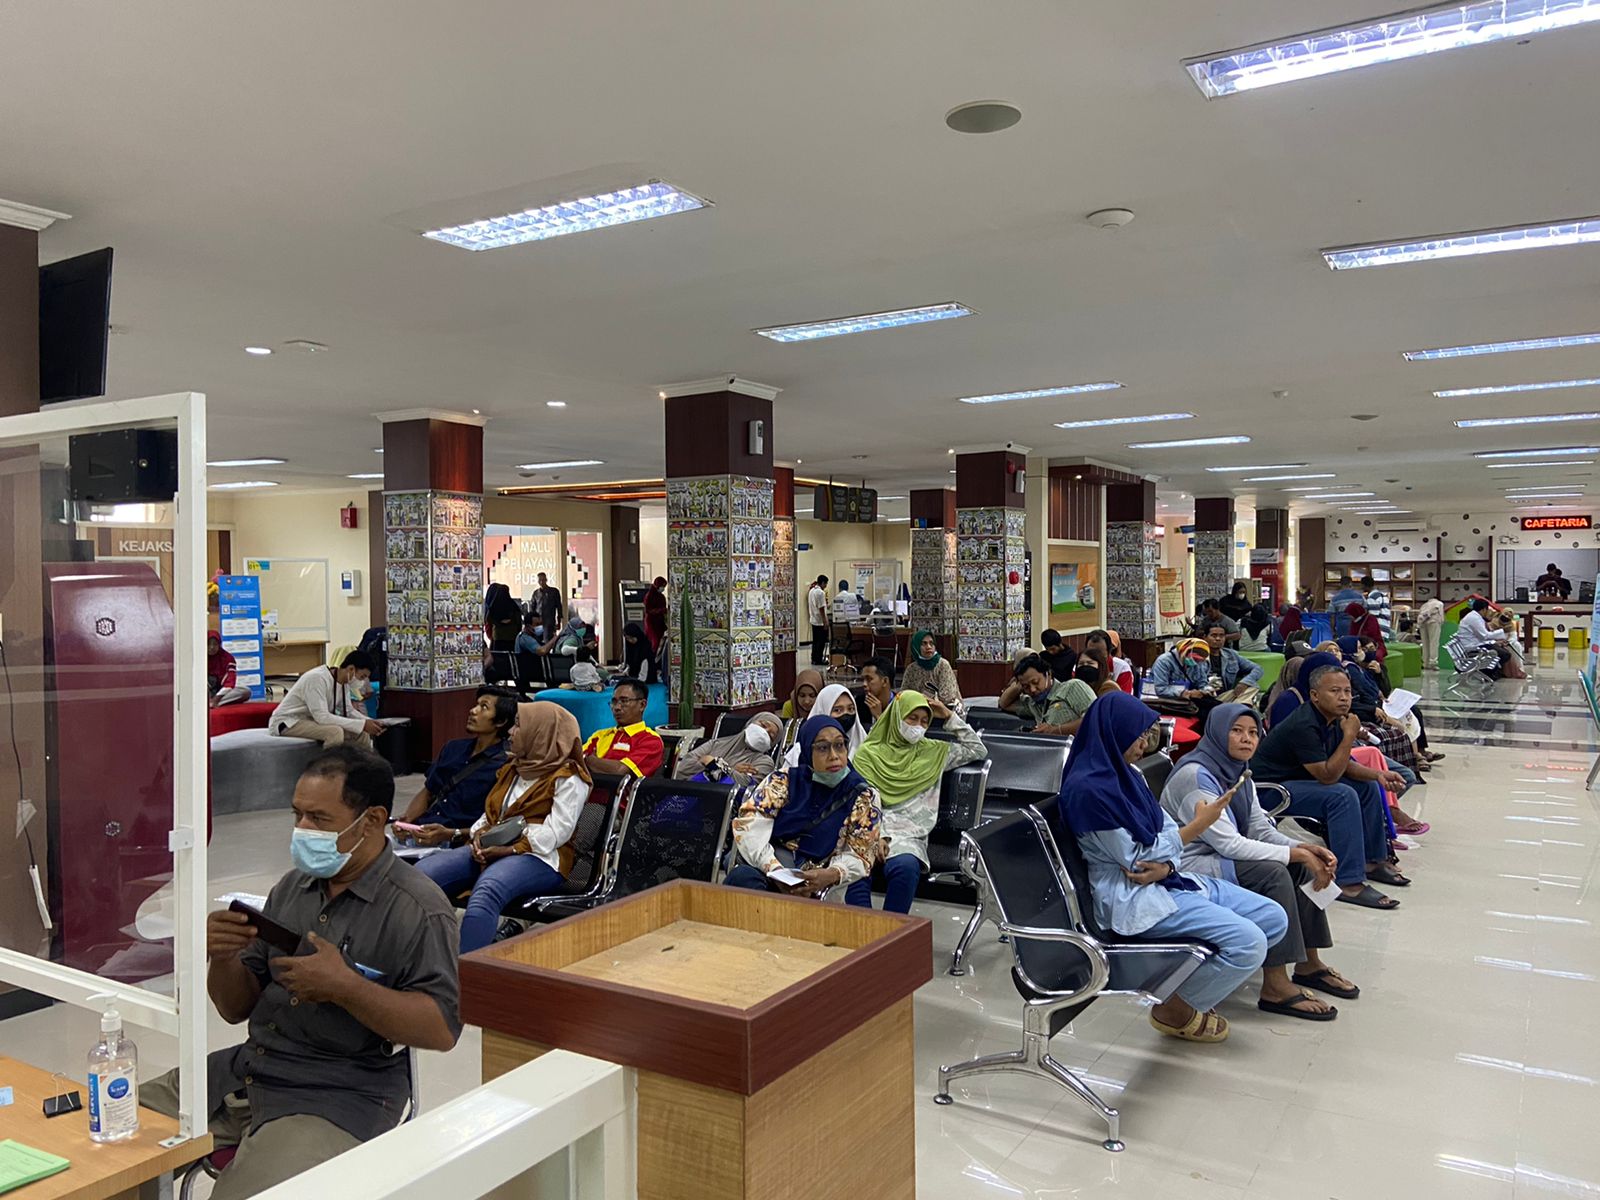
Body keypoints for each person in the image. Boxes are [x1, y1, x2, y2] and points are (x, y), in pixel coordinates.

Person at [144, 746, 461, 1198]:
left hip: (337, 1094)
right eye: (298, 815)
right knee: (101, 1142)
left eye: (319, 818)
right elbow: (235, 1008)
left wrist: (347, 988)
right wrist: (224, 957)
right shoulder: (293, 888)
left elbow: (442, 1030)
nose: (302, 830)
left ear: (371, 821)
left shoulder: (419, 910)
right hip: (246, 1072)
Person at [1059, 692, 1287, 1044]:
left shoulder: (1127, 775)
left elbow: (1164, 828)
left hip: (1167, 879)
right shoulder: (1088, 791)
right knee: (1250, 943)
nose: (1144, 744)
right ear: (1115, 732)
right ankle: (1175, 1008)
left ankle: (1192, 986)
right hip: (1133, 896)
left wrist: (1167, 866)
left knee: (1273, 918)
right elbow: (1135, 860)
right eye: (1138, 736)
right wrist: (1195, 828)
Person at [1161, 705, 1355, 1021]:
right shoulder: (1196, 776)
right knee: (1273, 873)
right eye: (1236, 730)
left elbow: (1259, 830)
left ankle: (1309, 963)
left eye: (1253, 732)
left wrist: (1302, 848)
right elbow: (1228, 843)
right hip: (1190, 865)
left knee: (1300, 865)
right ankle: (1275, 984)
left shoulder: (1239, 772)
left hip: (1220, 857)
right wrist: (1295, 854)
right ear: (1217, 732)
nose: (1246, 739)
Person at [418, 704, 591, 952]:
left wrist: (509, 848)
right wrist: (479, 836)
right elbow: (490, 814)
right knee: (421, 876)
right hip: (493, 849)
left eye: (518, 725)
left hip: (541, 858)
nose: (511, 731)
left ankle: (466, 969)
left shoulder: (569, 778)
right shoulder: (515, 768)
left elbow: (556, 834)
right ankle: (417, 957)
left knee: (487, 891)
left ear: (540, 733)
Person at [1250, 656, 1408, 909]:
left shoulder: (1331, 718)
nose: (1344, 698)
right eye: (1335, 691)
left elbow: (1340, 763)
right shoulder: (1304, 723)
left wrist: (1377, 775)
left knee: (1366, 787)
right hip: (1270, 790)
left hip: (1299, 780)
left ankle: (1372, 861)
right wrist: (1349, 736)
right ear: (1315, 695)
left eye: (1347, 691)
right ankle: (1348, 882)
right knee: (1341, 795)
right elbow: (1328, 775)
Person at [849, 690, 985, 912]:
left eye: (924, 721)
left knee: (905, 868)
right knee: (854, 867)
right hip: (870, 829)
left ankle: (893, 928)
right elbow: (861, 802)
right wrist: (877, 835)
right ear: (896, 716)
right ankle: (862, 926)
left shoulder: (933, 753)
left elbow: (977, 749)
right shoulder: (868, 754)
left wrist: (948, 715)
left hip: (908, 835)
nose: (918, 727)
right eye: (912, 718)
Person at [724, 715, 882, 899]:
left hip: (821, 882)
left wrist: (832, 874)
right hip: (771, 870)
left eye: (839, 745)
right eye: (823, 748)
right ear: (807, 750)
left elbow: (861, 854)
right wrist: (774, 869)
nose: (834, 756)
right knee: (742, 878)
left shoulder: (863, 796)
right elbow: (750, 828)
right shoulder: (784, 781)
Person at [393, 686, 517, 845]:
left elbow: (493, 825)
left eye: (484, 707)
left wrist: (450, 834)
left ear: (501, 721)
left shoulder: (504, 765)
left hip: (458, 842)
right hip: (422, 832)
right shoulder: (453, 748)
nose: (473, 711)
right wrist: (407, 822)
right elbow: (428, 791)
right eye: (476, 704)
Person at [269, 651, 384, 751]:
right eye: (362, 677)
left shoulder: (344, 683)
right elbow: (322, 717)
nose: (363, 682)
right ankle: (331, 769)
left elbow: (349, 711)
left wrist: (371, 722)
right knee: (335, 732)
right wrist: (362, 724)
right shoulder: (317, 678)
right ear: (351, 669)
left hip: (311, 720)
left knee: (362, 734)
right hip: (289, 722)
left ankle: (362, 767)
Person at [582, 680, 665, 779]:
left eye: (624, 701)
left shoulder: (651, 740)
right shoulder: (599, 735)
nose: (617, 707)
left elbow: (620, 772)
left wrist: (588, 760)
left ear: (642, 705)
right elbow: (573, 761)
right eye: (614, 702)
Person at [1001, 653, 1097, 736]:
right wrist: (1018, 685)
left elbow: (1095, 719)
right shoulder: (1033, 704)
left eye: (1035, 682)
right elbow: (1004, 704)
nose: (1032, 689)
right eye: (1026, 687)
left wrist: (1055, 730)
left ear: (1048, 674)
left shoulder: (1072, 687)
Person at [674, 711, 783, 783]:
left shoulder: (764, 762)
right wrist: (731, 770)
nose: (764, 732)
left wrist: (715, 763)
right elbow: (684, 767)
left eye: (771, 736)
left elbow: (746, 785)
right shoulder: (716, 744)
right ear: (751, 723)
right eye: (763, 725)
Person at [785, 683, 866, 762]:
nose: (845, 714)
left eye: (851, 709)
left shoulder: (865, 746)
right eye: (837, 710)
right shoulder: (799, 754)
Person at [1149, 637, 1223, 717]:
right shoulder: (1164, 661)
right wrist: (1185, 693)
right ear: (1184, 652)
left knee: (1218, 707)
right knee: (1203, 713)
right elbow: (1161, 689)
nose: (1196, 663)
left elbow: (1202, 682)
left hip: (1190, 698)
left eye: (1200, 661)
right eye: (1195, 659)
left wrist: (1206, 690)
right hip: (1169, 700)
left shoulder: (1199, 663)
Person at [900, 630, 964, 714]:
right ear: (916, 647)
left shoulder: (942, 665)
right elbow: (904, 694)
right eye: (924, 644)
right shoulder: (911, 669)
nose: (928, 647)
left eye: (931, 643)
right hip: (917, 711)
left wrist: (920, 699)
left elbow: (947, 697)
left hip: (945, 712)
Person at [1202, 620, 1264, 702]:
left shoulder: (1231, 655)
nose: (1218, 639)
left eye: (1221, 636)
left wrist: (1244, 683)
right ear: (1205, 637)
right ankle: (1238, 706)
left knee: (1253, 686)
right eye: (1214, 635)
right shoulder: (1198, 655)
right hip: (1205, 697)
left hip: (1226, 696)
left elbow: (1258, 668)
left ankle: (1235, 706)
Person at [1458, 597, 1514, 676]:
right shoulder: (1474, 618)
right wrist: (1501, 634)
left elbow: (1481, 636)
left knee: (1502, 650)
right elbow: (1485, 635)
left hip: (1475, 643)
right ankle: (1488, 673)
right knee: (1505, 654)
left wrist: (1495, 641)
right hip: (1473, 647)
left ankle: (1492, 673)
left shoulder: (1475, 616)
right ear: (1484, 609)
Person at [207, 627, 251, 706]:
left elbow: (230, 681)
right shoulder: (201, 657)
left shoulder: (227, 658)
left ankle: (213, 703)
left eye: (215, 644)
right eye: (209, 644)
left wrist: (217, 697)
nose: (212, 647)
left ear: (219, 644)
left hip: (221, 692)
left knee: (245, 691)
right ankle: (209, 702)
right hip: (205, 692)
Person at [1086, 629, 1135, 693]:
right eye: (1091, 654)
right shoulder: (1080, 667)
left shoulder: (1122, 668)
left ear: (1109, 652)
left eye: (1101, 656)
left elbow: (1124, 697)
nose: (1096, 659)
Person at [483, 582, 523, 652]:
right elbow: (519, 623)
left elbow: (487, 620)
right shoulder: (513, 606)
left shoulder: (493, 606)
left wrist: (498, 624)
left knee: (498, 655)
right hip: (512, 639)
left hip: (497, 639)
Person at [859, 655, 896, 729]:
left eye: (869, 679)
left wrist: (878, 717)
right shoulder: (859, 703)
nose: (864, 684)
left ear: (885, 681)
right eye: (863, 679)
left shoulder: (900, 705)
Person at [530, 572, 564, 644]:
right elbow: (532, 608)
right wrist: (531, 622)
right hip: (538, 622)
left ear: (546, 580)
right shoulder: (536, 593)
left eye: (543, 580)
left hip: (549, 622)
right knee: (537, 642)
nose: (541, 582)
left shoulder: (554, 592)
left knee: (548, 642)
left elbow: (559, 606)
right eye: (540, 580)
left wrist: (559, 621)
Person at [807, 575, 830, 666]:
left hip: (813, 620)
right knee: (821, 642)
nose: (826, 586)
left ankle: (814, 659)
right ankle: (819, 659)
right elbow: (821, 608)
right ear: (823, 583)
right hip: (820, 621)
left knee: (815, 641)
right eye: (826, 584)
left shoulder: (811, 591)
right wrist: (825, 622)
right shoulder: (820, 593)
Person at [1417, 596, 1445, 669]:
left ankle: (1425, 663)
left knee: (1425, 643)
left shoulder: (1424, 605)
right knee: (1434, 642)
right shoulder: (1439, 603)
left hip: (1422, 623)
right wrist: (1441, 622)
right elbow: (1441, 615)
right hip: (1434, 622)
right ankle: (1433, 663)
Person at [1361, 576, 1393, 640]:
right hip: (1385, 629)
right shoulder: (1383, 596)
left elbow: (1372, 617)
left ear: (1364, 585)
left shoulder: (1372, 598)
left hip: (1378, 631)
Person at [643, 577, 668, 651]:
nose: (663, 588)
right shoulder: (649, 596)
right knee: (655, 640)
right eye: (662, 586)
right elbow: (647, 610)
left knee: (660, 640)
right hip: (651, 622)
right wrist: (660, 611)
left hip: (659, 623)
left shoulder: (661, 597)